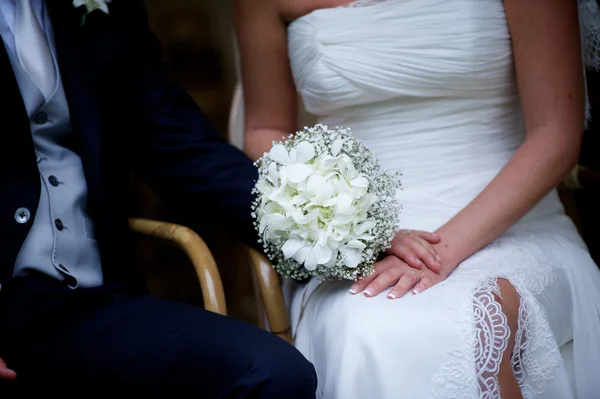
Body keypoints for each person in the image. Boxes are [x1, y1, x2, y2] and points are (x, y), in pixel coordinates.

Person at [234, 0, 600, 397]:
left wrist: (437, 254)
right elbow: (265, 127)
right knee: (371, 329)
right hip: (362, 241)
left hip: (514, 221)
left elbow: (556, 136)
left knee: (470, 326)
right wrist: (355, 227)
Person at [0, 0, 317, 396]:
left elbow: (180, 145)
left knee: (274, 373)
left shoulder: (106, 9)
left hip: (87, 306)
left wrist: (332, 235)